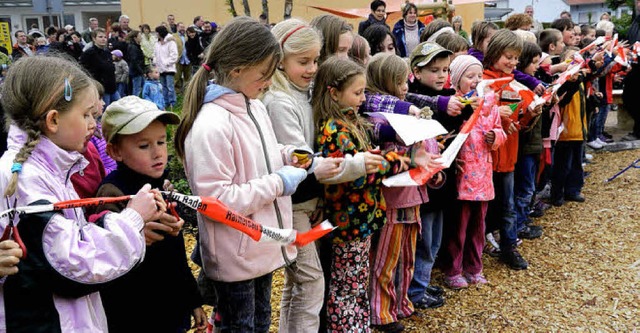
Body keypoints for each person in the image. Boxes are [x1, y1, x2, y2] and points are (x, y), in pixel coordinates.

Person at [0, 55, 160, 333]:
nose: (93, 126)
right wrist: (133, 219)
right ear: (53, 120)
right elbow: (72, 265)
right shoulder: (27, 178)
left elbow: (57, 242)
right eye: (86, 115)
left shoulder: (49, 169)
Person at [174, 16, 309, 332]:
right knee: (241, 327)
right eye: (264, 73)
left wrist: (289, 156)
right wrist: (279, 182)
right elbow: (216, 201)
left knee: (259, 323)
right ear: (236, 69)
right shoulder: (211, 124)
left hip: (259, 244)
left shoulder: (254, 105)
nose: (268, 81)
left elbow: (262, 153)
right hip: (236, 254)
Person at [312, 56, 417, 331]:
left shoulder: (349, 122)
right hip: (349, 223)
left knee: (357, 282)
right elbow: (355, 174)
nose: (362, 99)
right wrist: (394, 162)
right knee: (346, 286)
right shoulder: (334, 130)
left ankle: (359, 326)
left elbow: (366, 159)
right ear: (334, 93)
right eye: (357, 93)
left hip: (363, 219)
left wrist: (384, 159)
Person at [262, 19, 349, 333]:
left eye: (316, 60)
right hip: (293, 204)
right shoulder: (279, 101)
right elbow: (302, 157)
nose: (313, 68)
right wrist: (362, 163)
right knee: (310, 281)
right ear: (280, 60)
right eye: (304, 62)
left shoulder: (302, 92)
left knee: (297, 282)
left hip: (308, 201)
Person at [92, 95, 206, 333]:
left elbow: (175, 253)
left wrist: (192, 299)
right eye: (144, 146)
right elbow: (106, 257)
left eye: (161, 142)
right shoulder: (113, 193)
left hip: (171, 308)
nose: (157, 153)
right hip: (134, 314)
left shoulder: (162, 186)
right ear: (115, 151)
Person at [363, 52, 442, 333]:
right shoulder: (378, 118)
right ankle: (380, 311)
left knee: (406, 257)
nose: (405, 87)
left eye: (405, 80)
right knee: (385, 259)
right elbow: (388, 156)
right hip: (393, 199)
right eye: (399, 82)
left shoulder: (405, 111)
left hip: (414, 194)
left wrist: (434, 166)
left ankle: (400, 302)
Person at [442, 54, 507, 288]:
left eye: (479, 76)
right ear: (457, 80)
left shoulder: (490, 103)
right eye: (470, 76)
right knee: (458, 227)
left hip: (484, 174)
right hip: (463, 175)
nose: (476, 80)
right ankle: (453, 269)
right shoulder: (455, 105)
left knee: (479, 226)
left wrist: (495, 138)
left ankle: (474, 266)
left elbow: (500, 130)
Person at [483, 30, 542, 265]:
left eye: (516, 58)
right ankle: (480, 250)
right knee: (486, 208)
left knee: (507, 204)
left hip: (507, 155)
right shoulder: (484, 81)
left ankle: (509, 246)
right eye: (508, 56)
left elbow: (517, 125)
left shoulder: (513, 83)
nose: (513, 62)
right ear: (495, 53)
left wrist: (530, 114)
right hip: (487, 156)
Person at [551, 47, 588, 207]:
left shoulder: (580, 81)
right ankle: (557, 193)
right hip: (565, 130)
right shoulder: (561, 80)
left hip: (579, 129)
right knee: (562, 165)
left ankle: (573, 190)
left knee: (576, 164)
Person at [80, 27, 120, 106]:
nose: (103, 39)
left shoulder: (107, 52)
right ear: (94, 38)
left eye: (105, 37)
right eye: (100, 37)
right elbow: (83, 68)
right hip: (101, 88)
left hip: (112, 86)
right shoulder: (89, 53)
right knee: (103, 111)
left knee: (120, 108)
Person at [153, 25, 178, 109]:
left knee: (170, 87)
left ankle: (172, 103)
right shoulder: (157, 43)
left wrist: (166, 63)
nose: (156, 34)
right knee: (163, 87)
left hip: (169, 68)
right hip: (160, 68)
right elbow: (155, 54)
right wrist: (155, 63)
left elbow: (174, 55)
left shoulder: (171, 42)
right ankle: (166, 102)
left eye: (157, 33)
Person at [126, 30, 146, 97]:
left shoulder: (136, 46)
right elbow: (134, 61)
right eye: (140, 36)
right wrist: (141, 71)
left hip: (138, 71)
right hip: (136, 72)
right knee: (137, 90)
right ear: (135, 38)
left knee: (143, 88)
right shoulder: (133, 47)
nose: (141, 38)